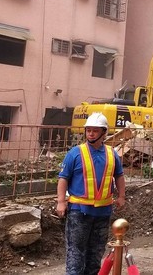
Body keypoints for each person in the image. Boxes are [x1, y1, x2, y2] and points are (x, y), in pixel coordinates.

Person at [56, 112, 126, 275]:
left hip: (103, 213)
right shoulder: (75, 153)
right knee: (76, 254)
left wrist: (121, 196)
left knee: (95, 254)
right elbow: (63, 178)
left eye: (95, 131)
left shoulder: (111, 154)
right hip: (79, 213)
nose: (90, 134)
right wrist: (61, 201)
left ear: (103, 133)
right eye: (88, 130)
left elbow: (119, 176)